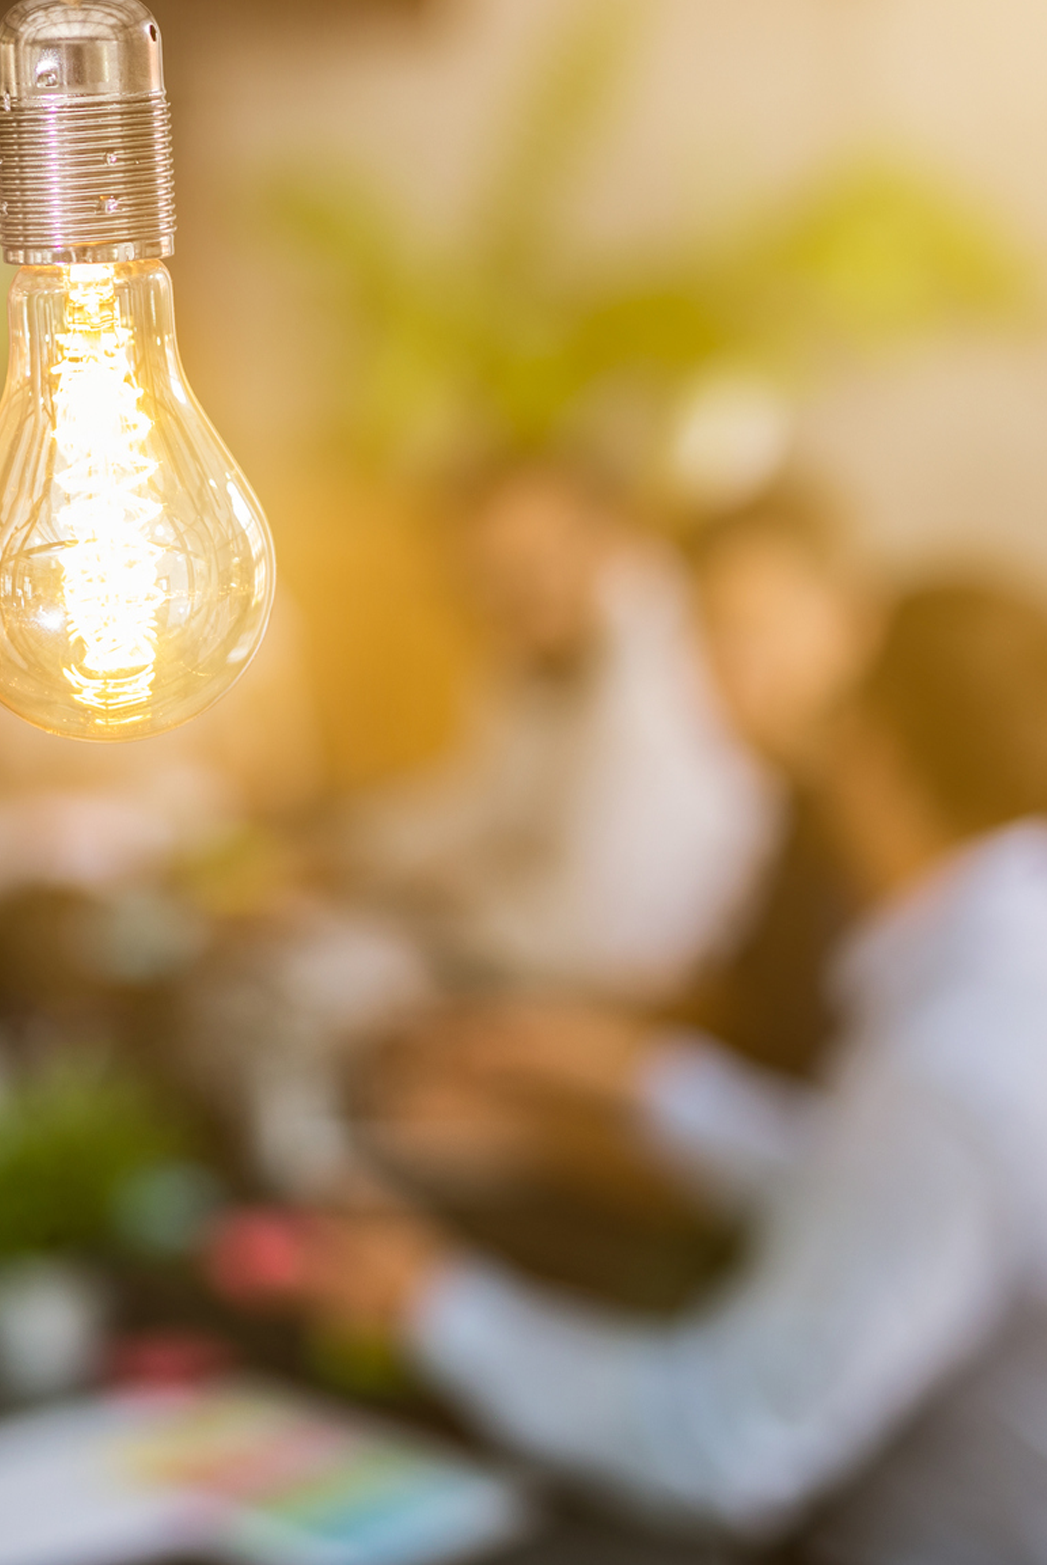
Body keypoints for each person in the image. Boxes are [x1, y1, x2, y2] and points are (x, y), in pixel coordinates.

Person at [292, 582, 1047, 1560]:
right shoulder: (1002, 955)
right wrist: (634, 1077)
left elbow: (723, 1447)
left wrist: (436, 1306)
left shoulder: (960, 1047)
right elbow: (875, 1191)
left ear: (873, 752)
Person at [372, 487, 886, 1212]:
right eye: (711, 635)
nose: (736, 670)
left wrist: (551, 1131)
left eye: (762, 629)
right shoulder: (798, 816)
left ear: (858, 622)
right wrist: (560, 1045)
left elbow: (833, 1172)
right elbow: (751, 1014)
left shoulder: (883, 847)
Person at [340, 451, 772, 997]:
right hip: (535, 956)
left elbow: (590, 927)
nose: (518, 589)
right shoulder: (539, 657)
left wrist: (399, 900)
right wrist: (347, 849)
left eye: (539, 559)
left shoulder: (669, 674)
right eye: (487, 574)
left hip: (637, 994)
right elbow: (480, 802)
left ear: (608, 540)